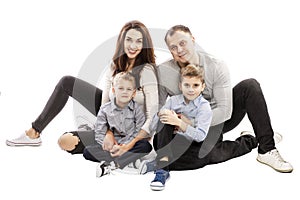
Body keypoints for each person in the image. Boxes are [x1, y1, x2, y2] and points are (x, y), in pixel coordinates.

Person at [149, 25, 293, 189]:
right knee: (199, 157)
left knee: (250, 86)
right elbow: (158, 109)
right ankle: (251, 140)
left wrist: (193, 122)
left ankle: (266, 147)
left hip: (217, 120)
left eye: (183, 43)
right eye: (173, 47)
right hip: (182, 129)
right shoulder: (163, 71)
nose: (179, 50)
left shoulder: (216, 66)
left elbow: (225, 111)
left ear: (193, 40)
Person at [6, 20, 159, 161]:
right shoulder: (115, 65)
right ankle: (34, 133)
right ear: (122, 41)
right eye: (129, 40)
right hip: (112, 118)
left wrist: (134, 140)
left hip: (133, 129)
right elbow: (105, 103)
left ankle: (123, 154)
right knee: (65, 140)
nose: (133, 46)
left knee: (75, 144)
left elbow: (151, 115)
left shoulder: (146, 71)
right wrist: (107, 132)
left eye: (139, 41)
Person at [149, 64, 214, 190]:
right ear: (180, 86)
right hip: (166, 142)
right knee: (166, 118)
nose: (191, 90)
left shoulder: (204, 107)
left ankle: (159, 162)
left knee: (201, 158)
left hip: (187, 144)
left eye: (195, 85)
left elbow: (200, 136)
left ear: (202, 87)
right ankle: (162, 170)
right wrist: (161, 114)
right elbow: (152, 127)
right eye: (187, 85)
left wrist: (179, 122)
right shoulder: (173, 101)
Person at [82, 72, 152, 177]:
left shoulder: (136, 109)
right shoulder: (105, 109)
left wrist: (125, 147)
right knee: (87, 151)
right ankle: (129, 160)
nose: (125, 92)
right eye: (121, 88)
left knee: (145, 146)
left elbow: (139, 131)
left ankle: (113, 163)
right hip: (111, 146)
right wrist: (111, 147)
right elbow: (99, 131)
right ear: (114, 91)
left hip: (130, 145)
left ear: (133, 93)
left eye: (129, 89)